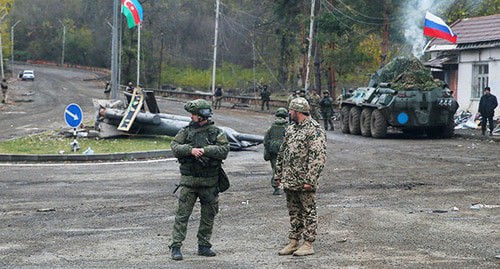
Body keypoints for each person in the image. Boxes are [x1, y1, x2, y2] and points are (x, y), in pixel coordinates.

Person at [169, 99, 230, 261]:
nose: (191, 117)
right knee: (182, 216)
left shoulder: (216, 132)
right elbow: (174, 146)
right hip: (189, 182)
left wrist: (205, 150)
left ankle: (204, 245)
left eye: (194, 114)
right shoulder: (186, 131)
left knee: (208, 216)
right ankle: (176, 246)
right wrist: (191, 150)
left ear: (202, 115)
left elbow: (224, 150)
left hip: (209, 184)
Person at [275, 97, 327, 257]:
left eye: (290, 110)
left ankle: (308, 243)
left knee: (308, 211)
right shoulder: (291, 129)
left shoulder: (314, 130)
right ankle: (294, 241)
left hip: (304, 181)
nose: (288, 113)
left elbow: (318, 157)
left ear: (297, 112)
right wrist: (278, 174)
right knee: (294, 211)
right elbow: (283, 152)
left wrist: (310, 180)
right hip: (290, 180)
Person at [263, 107, 289, 195]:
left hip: (273, 151)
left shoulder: (271, 127)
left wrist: (268, 149)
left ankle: (276, 188)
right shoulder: (288, 127)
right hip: (285, 151)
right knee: (287, 168)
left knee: (275, 169)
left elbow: (266, 140)